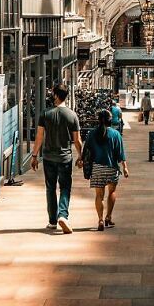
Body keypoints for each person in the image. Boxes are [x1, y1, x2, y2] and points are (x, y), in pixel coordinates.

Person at [30, 83, 82, 233]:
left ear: (56, 95)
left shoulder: (45, 114)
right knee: (65, 187)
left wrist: (34, 156)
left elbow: (39, 137)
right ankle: (63, 215)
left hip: (48, 157)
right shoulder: (72, 115)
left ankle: (52, 221)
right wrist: (81, 156)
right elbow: (77, 140)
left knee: (50, 188)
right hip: (65, 158)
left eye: (53, 94)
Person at [78, 109, 128, 231]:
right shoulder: (116, 134)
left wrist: (81, 160)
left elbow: (86, 151)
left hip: (97, 168)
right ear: (110, 121)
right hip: (112, 168)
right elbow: (120, 154)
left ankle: (100, 219)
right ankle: (108, 217)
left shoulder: (92, 134)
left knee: (99, 195)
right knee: (112, 193)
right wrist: (125, 167)